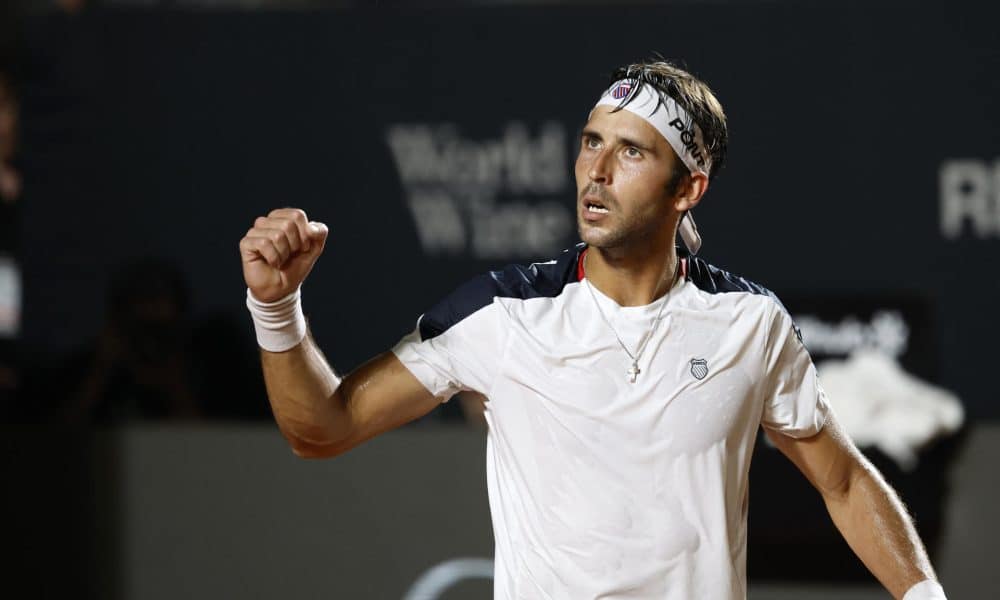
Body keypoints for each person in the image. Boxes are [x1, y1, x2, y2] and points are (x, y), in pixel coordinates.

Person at [238, 59, 946, 600]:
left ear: (688, 188)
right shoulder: (501, 311)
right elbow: (322, 429)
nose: (596, 171)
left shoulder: (750, 323)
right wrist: (277, 307)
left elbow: (844, 482)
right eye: (590, 142)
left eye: (631, 152)